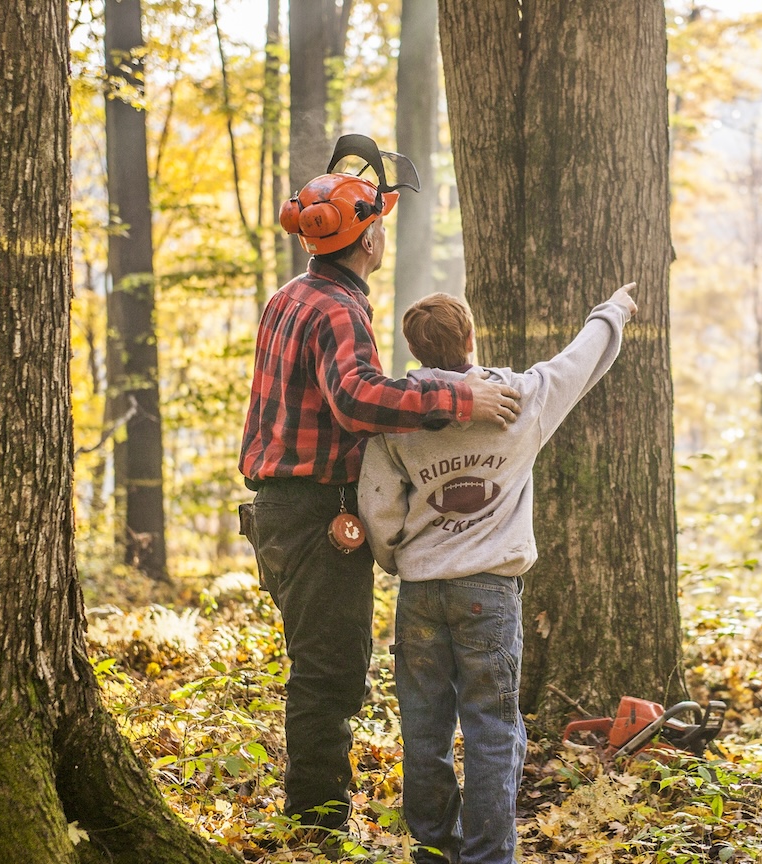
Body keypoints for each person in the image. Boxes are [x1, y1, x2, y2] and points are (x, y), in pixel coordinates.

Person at [239, 136, 522, 840]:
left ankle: (316, 816)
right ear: (367, 239)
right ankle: (317, 825)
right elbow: (357, 399)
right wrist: (462, 402)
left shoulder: (290, 296)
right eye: (380, 226)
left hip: (281, 509)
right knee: (330, 673)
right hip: (313, 514)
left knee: (320, 664)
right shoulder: (338, 310)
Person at [357, 284, 638, 864]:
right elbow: (581, 362)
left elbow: (378, 504)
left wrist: (399, 559)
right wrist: (611, 310)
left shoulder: (397, 419)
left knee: (424, 727)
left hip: (421, 592)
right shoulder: (522, 399)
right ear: (470, 339)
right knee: (492, 731)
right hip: (489, 591)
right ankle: (487, 858)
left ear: (414, 353)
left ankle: (433, 849)